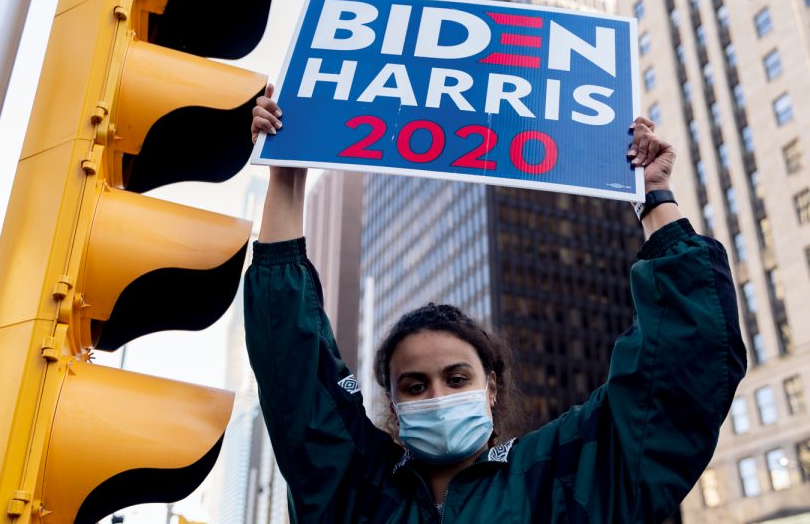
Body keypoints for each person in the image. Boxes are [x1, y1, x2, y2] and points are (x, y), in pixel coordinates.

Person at [244, 84, 747, 523]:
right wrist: (286, 168)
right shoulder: (354, 488)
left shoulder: (559, 477)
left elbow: (678, 377)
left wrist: (653, 195)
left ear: (491, 387)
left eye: (457, 378)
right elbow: (293, 364)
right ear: (392, 406)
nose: (437, 397)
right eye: (414, 386)